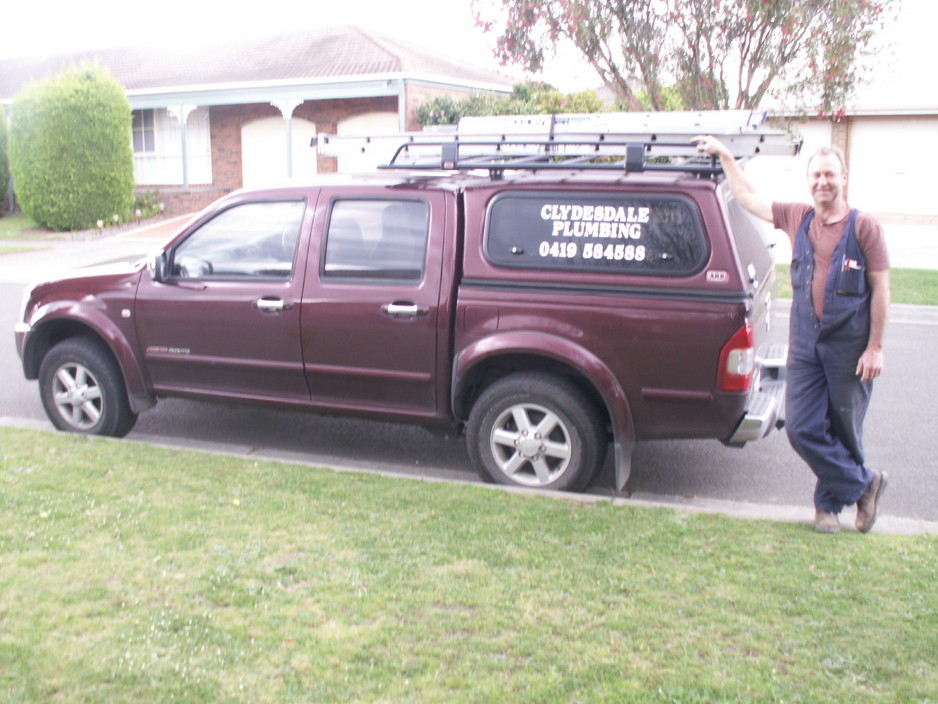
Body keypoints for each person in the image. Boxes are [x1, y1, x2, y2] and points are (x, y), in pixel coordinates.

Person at [693, 135, 890, 534]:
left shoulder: (864, 227)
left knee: (844, 427)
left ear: (844, 178)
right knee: (801, 427)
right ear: (809, 180)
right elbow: (748, 197)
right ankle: (865, 484)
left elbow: (882, 289)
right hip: (805, 343)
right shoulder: (798, 217)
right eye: (816, 175)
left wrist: (875, 347)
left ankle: (826, 509)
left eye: (829, 175)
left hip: (849, 346)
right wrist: (727, 157)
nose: (823, 182)